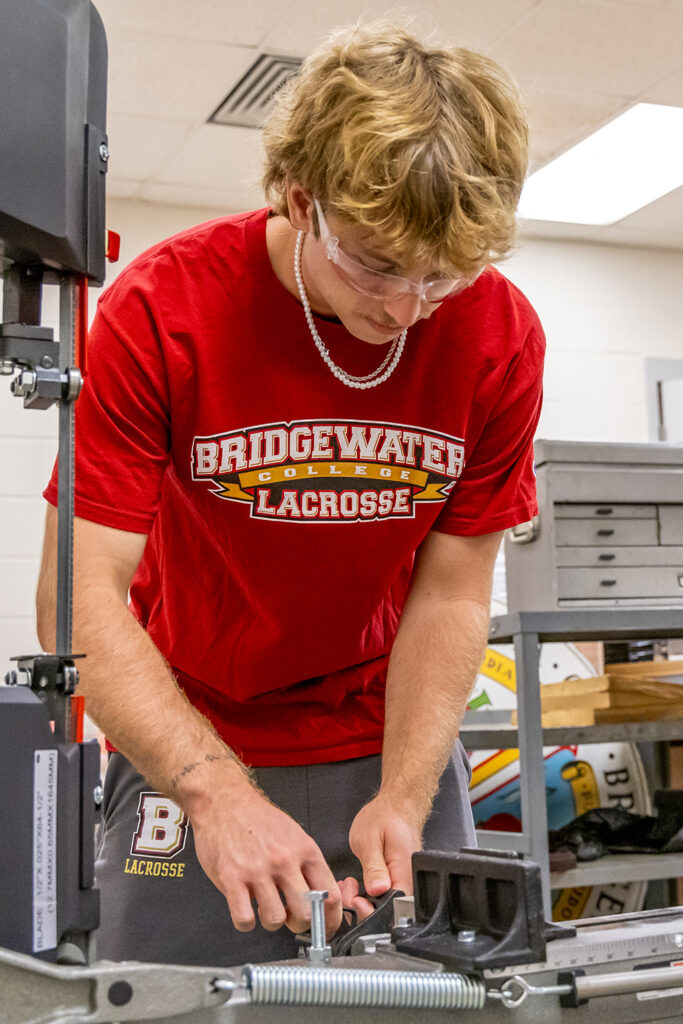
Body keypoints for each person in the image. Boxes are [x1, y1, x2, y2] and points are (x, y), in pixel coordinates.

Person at [36, 20, 544, 967]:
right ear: (300, 200)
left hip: (393, 741)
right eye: (379, 266)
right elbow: (78, 593)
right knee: (165, 997)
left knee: (440, 995)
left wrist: (403, 791)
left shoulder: (496, 332)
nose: (404, 310)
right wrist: (215, 795)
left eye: (441, 277)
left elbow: (453, 591)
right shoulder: (163, 310)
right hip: (191, 738)